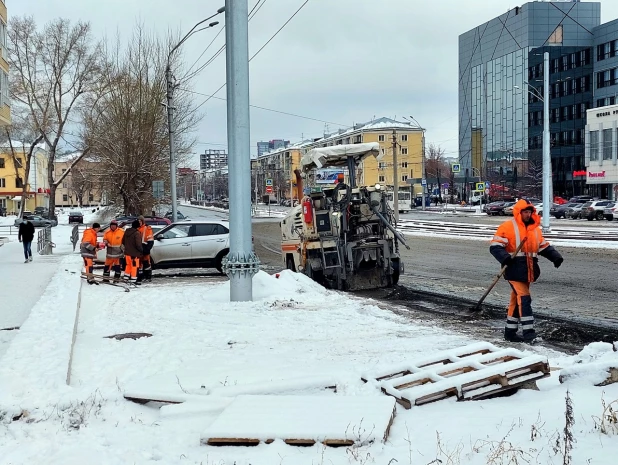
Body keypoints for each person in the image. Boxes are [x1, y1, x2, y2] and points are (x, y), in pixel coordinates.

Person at [490, 199, 564, 343]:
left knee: (515, 300)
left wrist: (555, 257)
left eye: (530, 212)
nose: (528, 214)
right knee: (524, 298)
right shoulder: (508, 227)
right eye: (525, 212)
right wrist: (505, 258)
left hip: (528, 269)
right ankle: (529, 332)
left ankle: (510, 332)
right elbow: (495, 246)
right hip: (513, 269)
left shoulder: (534, 229)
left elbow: (542, 246)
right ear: (519, 212)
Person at [122, 220, 143, 284]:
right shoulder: (137, 233)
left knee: (128, 265)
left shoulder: (126, 232)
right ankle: (133, 280)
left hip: (127, 253)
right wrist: (141, 250)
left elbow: (123, 241)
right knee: (134, 266)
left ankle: (126, 278)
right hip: (134, 254)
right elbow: (138, 244)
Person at [137, 215, 154, 283]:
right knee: (139, 265)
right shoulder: (136, 228)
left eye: (140, 221)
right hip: (138, 249)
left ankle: (148, 276)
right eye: (138, 221)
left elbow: (150, 240)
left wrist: (147, 249)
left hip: (145, 248)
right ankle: (141, 277)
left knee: (147, 264)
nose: (139, 222)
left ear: (142, 221)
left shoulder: (147, 228)